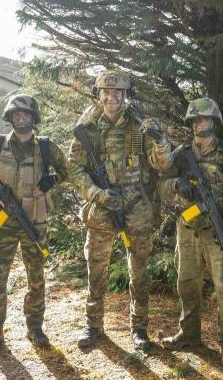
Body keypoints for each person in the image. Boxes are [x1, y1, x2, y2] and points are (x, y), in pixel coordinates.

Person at [67, 70, 172, 351]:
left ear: (125, 95)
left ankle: (139, 330)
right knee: (96, 270)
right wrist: (97, 194)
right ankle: (93, 327)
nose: (111, 97)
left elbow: (161, 165)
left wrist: (160, 141)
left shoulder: (139, 127)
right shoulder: (88, 128)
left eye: (117, 93)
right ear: (98, 94)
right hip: (102, 208)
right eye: (106, 92)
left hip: (136, 207)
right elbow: (74, 168)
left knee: (139, 271)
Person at [159, 97, 223, 367]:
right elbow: (160, 186)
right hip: (187, 229)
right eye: (196, 120)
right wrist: (177, 183)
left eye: (206, 119)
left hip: (218, 229)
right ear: (191, 123)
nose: (201, 124)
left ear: (214, 122)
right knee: (187, 283)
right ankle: (189, 335)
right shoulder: (181, 154)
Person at [0, 94, 69, 355]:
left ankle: (35, 329)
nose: (21, 118)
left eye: (25, 114)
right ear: (10, 118)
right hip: (4, 222)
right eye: (16, 114)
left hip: (35, 222)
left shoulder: (47, 147)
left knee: (36, 277)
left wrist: (52, 180)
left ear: (33, 118)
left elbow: (69, 171)